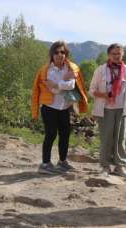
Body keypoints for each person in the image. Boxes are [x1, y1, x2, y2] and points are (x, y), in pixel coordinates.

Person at [31, 41, 88, 174]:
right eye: (56, 52)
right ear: (52, 54)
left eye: (62, 52)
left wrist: (57, 84)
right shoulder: (45, 70)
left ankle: (62, 162)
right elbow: (53, 91)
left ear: (66, 54)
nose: (59, 54)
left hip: (64, 107)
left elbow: (71, 86)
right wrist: (63, 81)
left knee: (65, 135)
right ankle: (45, 164)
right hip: (49, 107)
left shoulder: (71, 67)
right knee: (50, 134)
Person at [89, 43, 126, 177]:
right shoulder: (100, 70)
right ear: (109, 55)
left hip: (122, 109)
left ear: (122, 54)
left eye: (119, 53)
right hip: (104, 109)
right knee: (106, 138)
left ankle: (119, 165)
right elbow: (91, 91)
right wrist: (105, 95)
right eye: (114, 54)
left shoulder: (125, 69)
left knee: (120, 138)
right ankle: (105, 166)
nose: (117, 56)